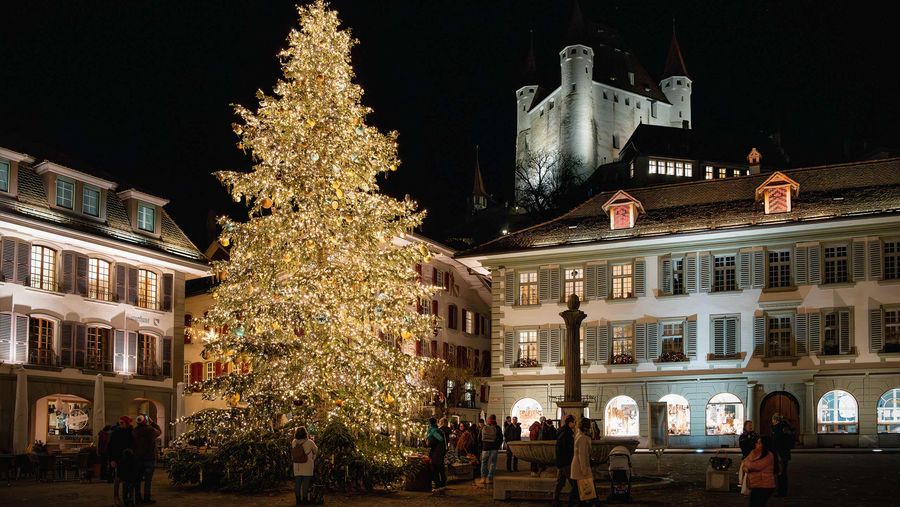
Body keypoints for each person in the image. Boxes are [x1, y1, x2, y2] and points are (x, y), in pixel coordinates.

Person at [571, 417, 601, 506]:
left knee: (578, 490)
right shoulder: (583, 438)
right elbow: (582, 455)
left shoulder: (579, 435)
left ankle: (587, 503)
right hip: (580, 468)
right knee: (583, 489)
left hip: (578, 467)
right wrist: (584, 470)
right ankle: (594, 503)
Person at [132, 414, 161, 504]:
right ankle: (146, 498)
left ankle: (137, 498)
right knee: (148, 481)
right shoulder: (150, 430)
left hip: (138, 458)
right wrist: (152, 423)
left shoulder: (134, 431)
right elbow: (159, 431)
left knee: (137, 480)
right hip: (149, 458)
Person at [742, 436, 777, 506]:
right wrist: (747, 466)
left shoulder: (769, 455)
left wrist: (747, 467)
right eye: (757, 442)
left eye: (759, 443)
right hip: (756, 484)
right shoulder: (755, 452)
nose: (756, 444)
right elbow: (745, 461)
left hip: (764, 485)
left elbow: (756, 466)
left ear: (765, 444)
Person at [108, 415, 135, 507]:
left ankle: (129, 498)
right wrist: (112, 460)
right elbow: (111, 447)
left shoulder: (132, 432)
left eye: (122, 423)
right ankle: (116, 497)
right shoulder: (116, 433)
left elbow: (135, 445)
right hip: (118, 458)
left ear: (127, 423)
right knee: (118, 479)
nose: (120, 424)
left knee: (129, 480)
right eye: (119, 423)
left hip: (130, 459)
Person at [552, 415, 576, 507]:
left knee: (560, 482)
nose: (574, 424)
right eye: (574, 422)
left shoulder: (562, 430)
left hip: (561, 461)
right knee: (573, 482)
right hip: (566, 461)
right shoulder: (567, 433)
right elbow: (567, 448)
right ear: (570, 423)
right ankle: (574, 501)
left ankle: (555, 499)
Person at [292, 426, 318, 505]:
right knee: (306, 484)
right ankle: (305, 500)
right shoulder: (310, 442)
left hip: (297, 466)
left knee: (297, 484)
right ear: (305, 433)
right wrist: (313, 458)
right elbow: (316, 450)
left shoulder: (294, 442)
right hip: (307, 465)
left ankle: (298, 500)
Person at [770, 413, 794, 496]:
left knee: (781, 473)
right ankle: (782, 490)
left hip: (780, 454)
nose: (772, 422)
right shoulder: (785, 428)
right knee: (783, 472)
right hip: (784, 453)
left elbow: (776, 442)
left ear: (775, 420)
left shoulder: (778, 429)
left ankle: (782, 491)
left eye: (773, 420)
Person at [477, 414, 503, 485]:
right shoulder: (497, 428)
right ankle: (490, 478)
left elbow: (479, 438)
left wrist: (483, 446)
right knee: (493, 463)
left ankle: (483, 478)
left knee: (484, 463)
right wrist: (497, 446)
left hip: (485, 449)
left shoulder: (484, 427)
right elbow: (501, 438)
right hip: (494, 449)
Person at [426, 418, 447, 490]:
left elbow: (432, 443)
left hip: (437, 452)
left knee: (435, 468)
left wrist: (428, 443)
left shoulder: (433, 431)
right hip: (440, 451)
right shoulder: (439, 430)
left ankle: (438, 483)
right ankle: (442, 482)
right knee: (440, 467)